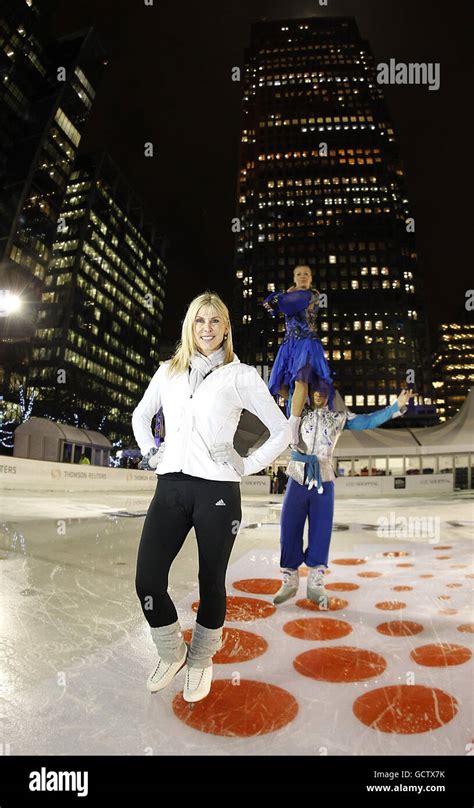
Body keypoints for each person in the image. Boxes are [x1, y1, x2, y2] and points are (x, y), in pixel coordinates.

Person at [131, 292, 291, 703]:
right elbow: (141, 415)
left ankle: (201, 660)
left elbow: (282, 430)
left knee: (210, 580)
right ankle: (173, 653)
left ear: (225, 328)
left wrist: (247, 463)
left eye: (215, 321)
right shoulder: (168, 371)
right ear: (190, 325)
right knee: (147, 579)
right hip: (170, 487)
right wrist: (152, 452)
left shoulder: (240, 376)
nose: (207, 328)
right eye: (200, 320)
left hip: (218, 491)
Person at [273, 381, 414, 607]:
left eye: (323, 389)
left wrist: (397, 405)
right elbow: (283, 386)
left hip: (324, 479)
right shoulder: (298, 410)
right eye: (314, 389)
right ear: (309, 392)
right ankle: (290, 578)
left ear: (330, 392)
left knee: (321, 530)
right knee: (288, 527)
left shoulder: (340, 418)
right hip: (298, 476)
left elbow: (369, 420)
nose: (318, 393)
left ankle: (316, 582)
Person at [262, 264, 334, 446]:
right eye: (299, 274)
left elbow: (285, 305)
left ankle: (292, 425)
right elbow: (267, 304)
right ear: (294, 277)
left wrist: (281, 297)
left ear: (310, 279)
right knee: (276, 384)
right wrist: (280, 297)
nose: (303, 277)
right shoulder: (291, 295)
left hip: (307, 343)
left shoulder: (312, 294)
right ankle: (303, 407)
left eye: (306, 274)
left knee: (300, 378)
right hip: (289, 344)